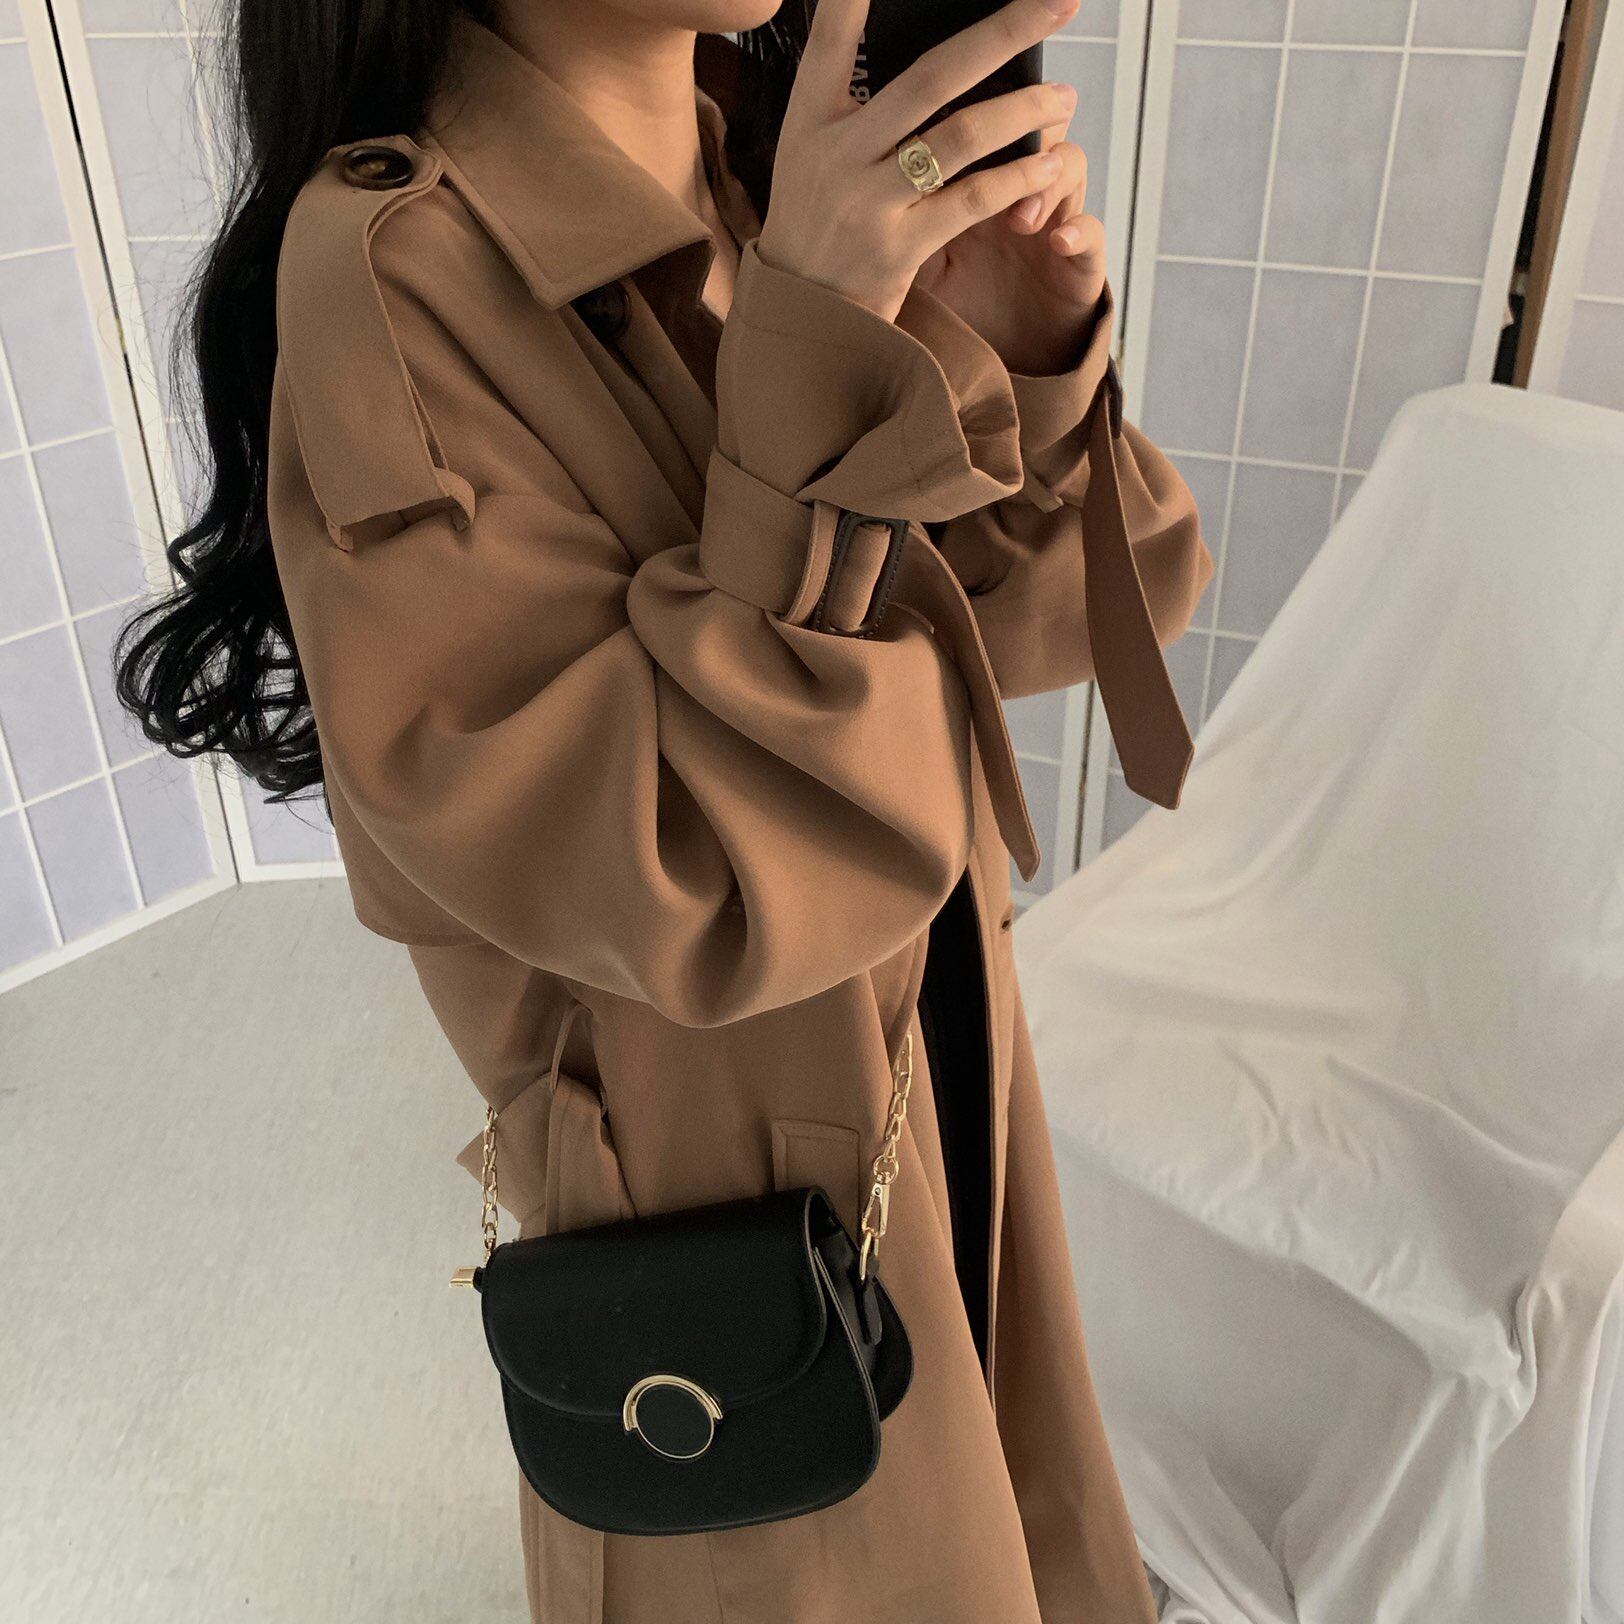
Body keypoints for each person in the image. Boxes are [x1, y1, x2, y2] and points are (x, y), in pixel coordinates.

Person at [118, 0, 1212, 1617]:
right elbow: (680, 864)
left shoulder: (763, 173)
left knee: (1006, 1506)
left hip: (932, 1043)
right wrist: (820, 360)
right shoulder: (393, 277)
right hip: (714, 1203)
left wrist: (1018, 362)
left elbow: (1014, 625)